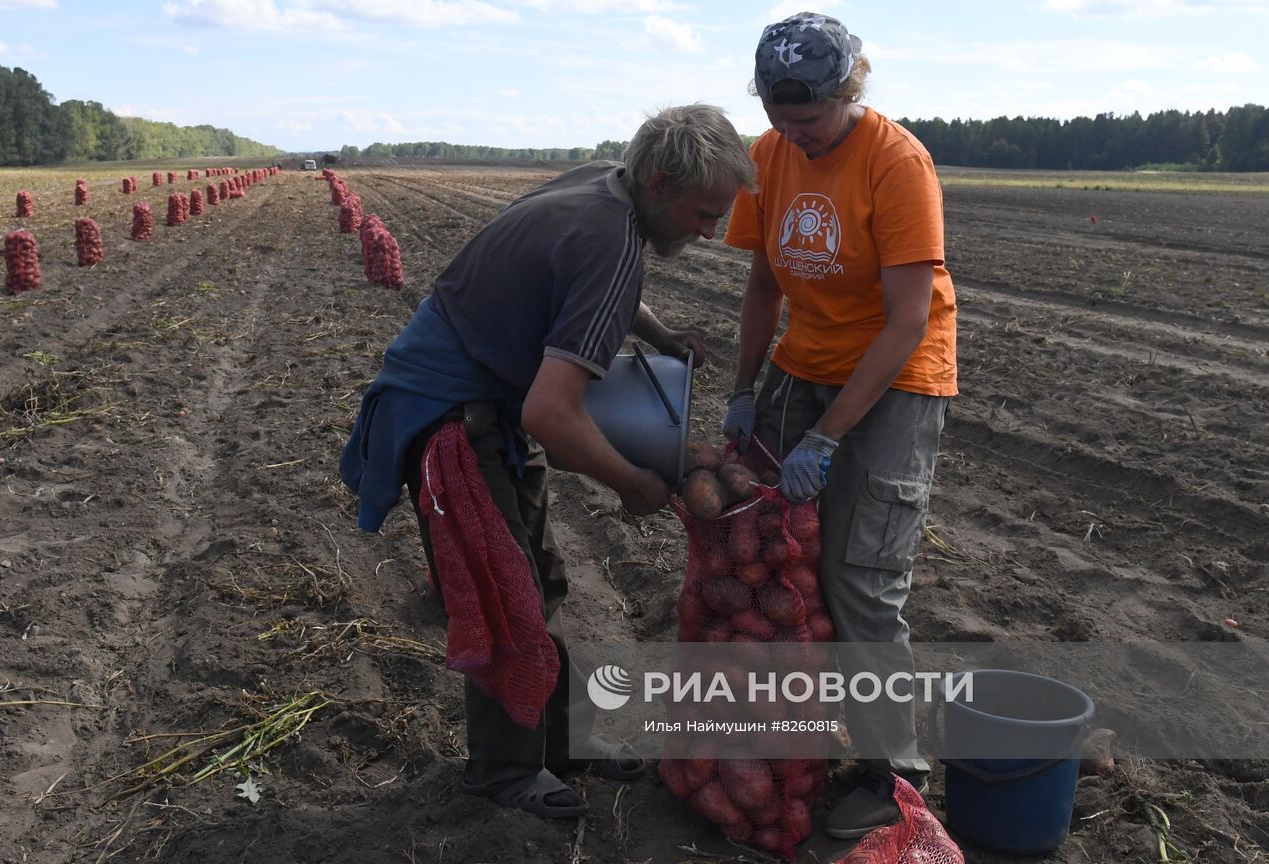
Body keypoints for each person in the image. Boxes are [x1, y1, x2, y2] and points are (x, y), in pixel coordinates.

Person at [340, 104, 757, 818]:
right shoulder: (611, 241)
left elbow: (597, 298)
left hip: (486, 400)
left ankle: (564, 739)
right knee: (508, 596)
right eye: (702, 213)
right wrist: (632, 483)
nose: (708, 231)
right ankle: (503, 772)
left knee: (543, 581)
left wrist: (658, 335)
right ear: (659, 183)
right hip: (450, 414)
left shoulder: (606, 183)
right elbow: (550, 414)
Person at [720, 12, 959, 839]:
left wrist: (827, 439)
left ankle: (895, 773)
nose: (794, 134)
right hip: (803, 364)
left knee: (862, 577)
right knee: (781, 558)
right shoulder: (770, 153)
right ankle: (801, 737)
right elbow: (762, 287)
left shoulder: (898, 165)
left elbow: (905, 322)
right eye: (779, 117)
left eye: (809, 118)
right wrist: (745, 388)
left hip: (897, 376)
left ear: (849, 91)